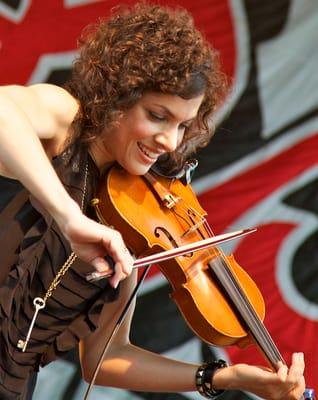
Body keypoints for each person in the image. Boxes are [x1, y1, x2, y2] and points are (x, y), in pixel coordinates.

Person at [0, 2, 305, 399]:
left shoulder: (136, 218)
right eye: (157, 115)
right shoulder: (67, 122)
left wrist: (225, 377)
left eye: (182, 124)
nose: (170, 141)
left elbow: (105, 358)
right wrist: (67, 216)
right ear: (117, 95)